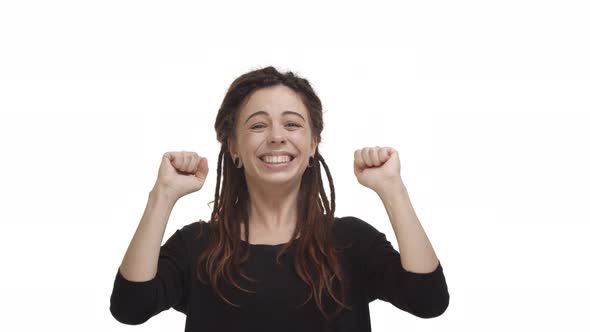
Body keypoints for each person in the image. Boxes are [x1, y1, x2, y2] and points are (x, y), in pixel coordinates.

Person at [109, 66, 449, 331]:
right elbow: (130, 308)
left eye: (292, 124)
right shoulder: (197, 245)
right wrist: (162, 195)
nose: (276, 137)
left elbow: (429, 300)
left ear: (314, 144)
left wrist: (393, 189)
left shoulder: (352, 242)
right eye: (258, 126)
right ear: (233, 147)